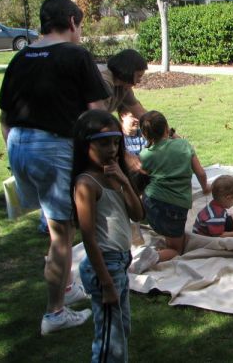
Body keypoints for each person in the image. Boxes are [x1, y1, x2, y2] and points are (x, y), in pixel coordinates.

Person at [0, 0, 109, 335]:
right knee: (62, 234)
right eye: (80, 25)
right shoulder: (76, 55)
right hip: (52, 148)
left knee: (53, 221)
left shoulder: (21, 56)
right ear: (73, 22)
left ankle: (66, 286)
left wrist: (17, 155)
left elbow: (4, 116)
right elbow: (98, 111)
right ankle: (54, 313)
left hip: (17, 143)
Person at [71, 110, 144, 363]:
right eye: (103, 143)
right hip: (105, 265)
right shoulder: (86, 183)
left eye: (115, 142)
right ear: (85, 144)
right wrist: (106, 282)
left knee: (122, 329)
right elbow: (89, 238)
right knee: (109, 343)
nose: (112, 149)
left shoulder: (114, 177)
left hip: (121, 262)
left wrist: (124, 180)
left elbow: (138, 214)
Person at [139, 110, 211, 262]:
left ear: (144, 135)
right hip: (175, 206)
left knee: (169, 232)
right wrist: (205, 187)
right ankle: (154, 257)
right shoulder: (183, 145)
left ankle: (166, 242)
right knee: (176, 250)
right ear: (167, 128)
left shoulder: (145, 155)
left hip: (151, 203)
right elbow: (201, 173)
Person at [99, 49, 148, 119]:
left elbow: (140, 113)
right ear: (128, 72)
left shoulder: (123, 85)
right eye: (138, 76)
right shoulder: (104, 81)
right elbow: (98, 118)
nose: (139, 81)